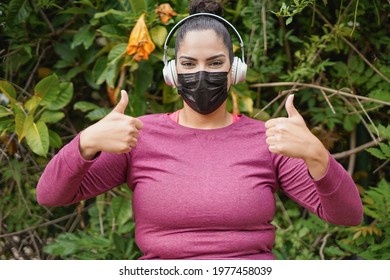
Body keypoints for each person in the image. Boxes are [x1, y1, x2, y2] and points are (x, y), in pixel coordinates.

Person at [36, 0, 363, 260]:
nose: (202, 73)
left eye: (215, 63)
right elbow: (51, 195)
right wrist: (86, 143)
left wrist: (317, 155)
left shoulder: (268, 140)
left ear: (235, 70)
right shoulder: (139, 136)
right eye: (189, 64)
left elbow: (348, 215)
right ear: (172, 72)